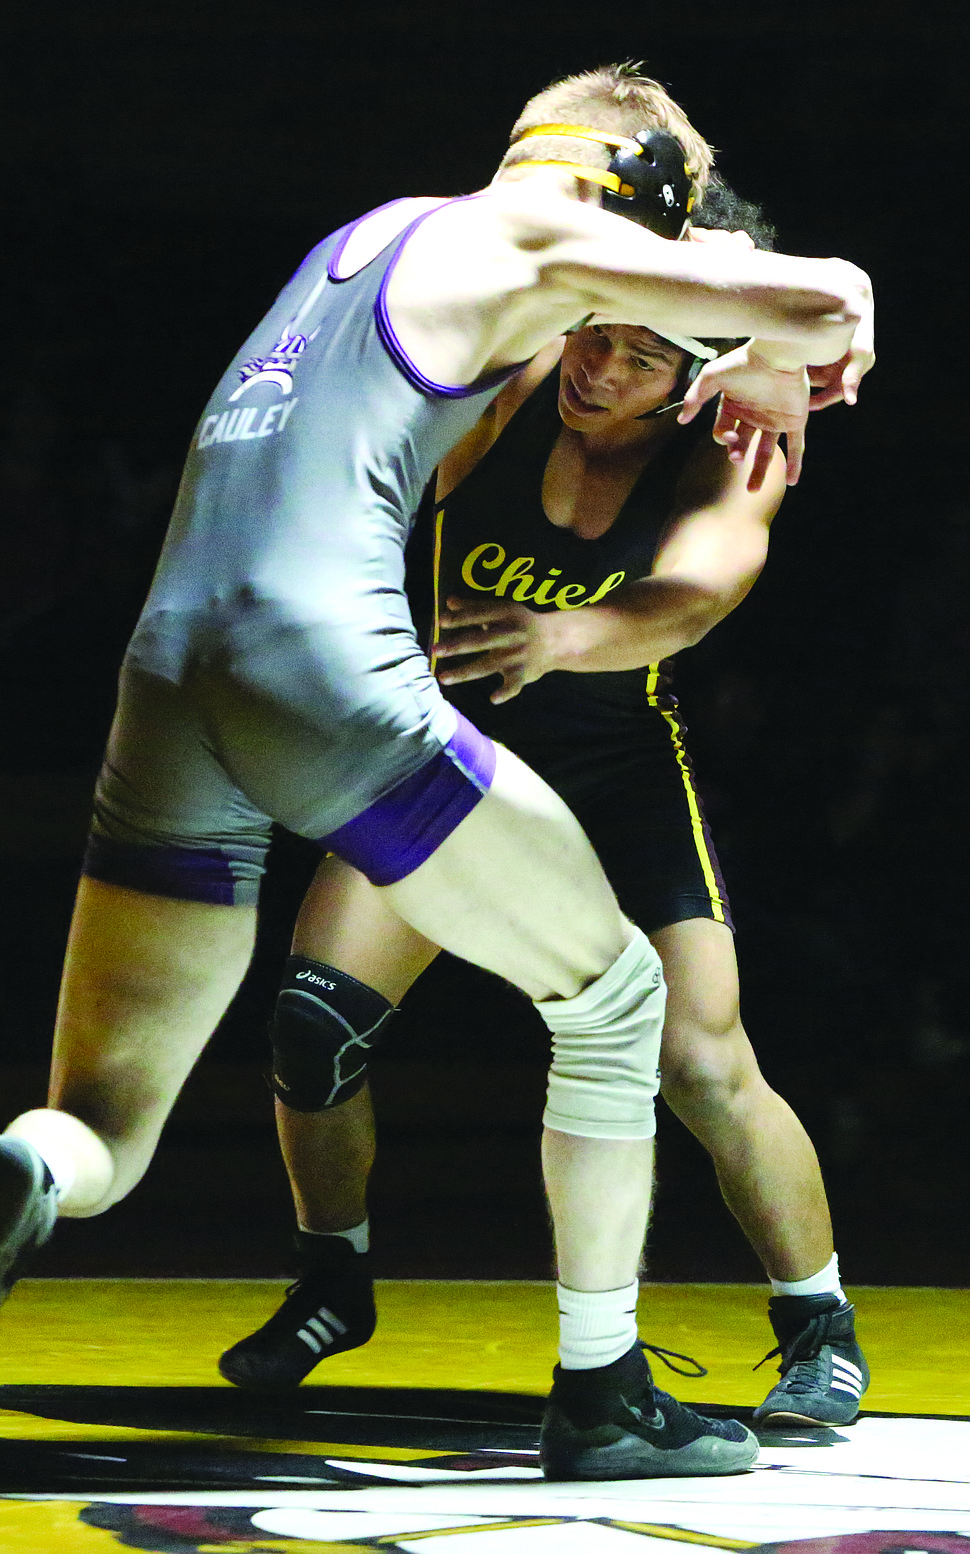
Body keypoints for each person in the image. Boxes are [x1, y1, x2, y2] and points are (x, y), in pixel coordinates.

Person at [0, 64, 873, 1480]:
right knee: (610, 1002)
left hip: (173, 675)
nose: (604, 361)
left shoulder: (367, 240)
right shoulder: (536, 260)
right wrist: (806, 334)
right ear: (634, 205)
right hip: (337, 683)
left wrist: (740, 362)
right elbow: (827, 291)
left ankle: (34, 1166)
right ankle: (597, 1392)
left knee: (110, 1111)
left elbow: (701, 580)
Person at [218, 178, 870, 1431]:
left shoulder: (732, 444)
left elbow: (700, 593)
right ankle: (333, 1276)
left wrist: (569, 636)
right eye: (597, 329)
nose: (599, 365)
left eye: (638, 355)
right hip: (451, 757)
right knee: (311, 1025)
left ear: (700, 372)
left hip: (617, 765)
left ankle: (818, 1320)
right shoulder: (521, 382)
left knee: (700, 1058)